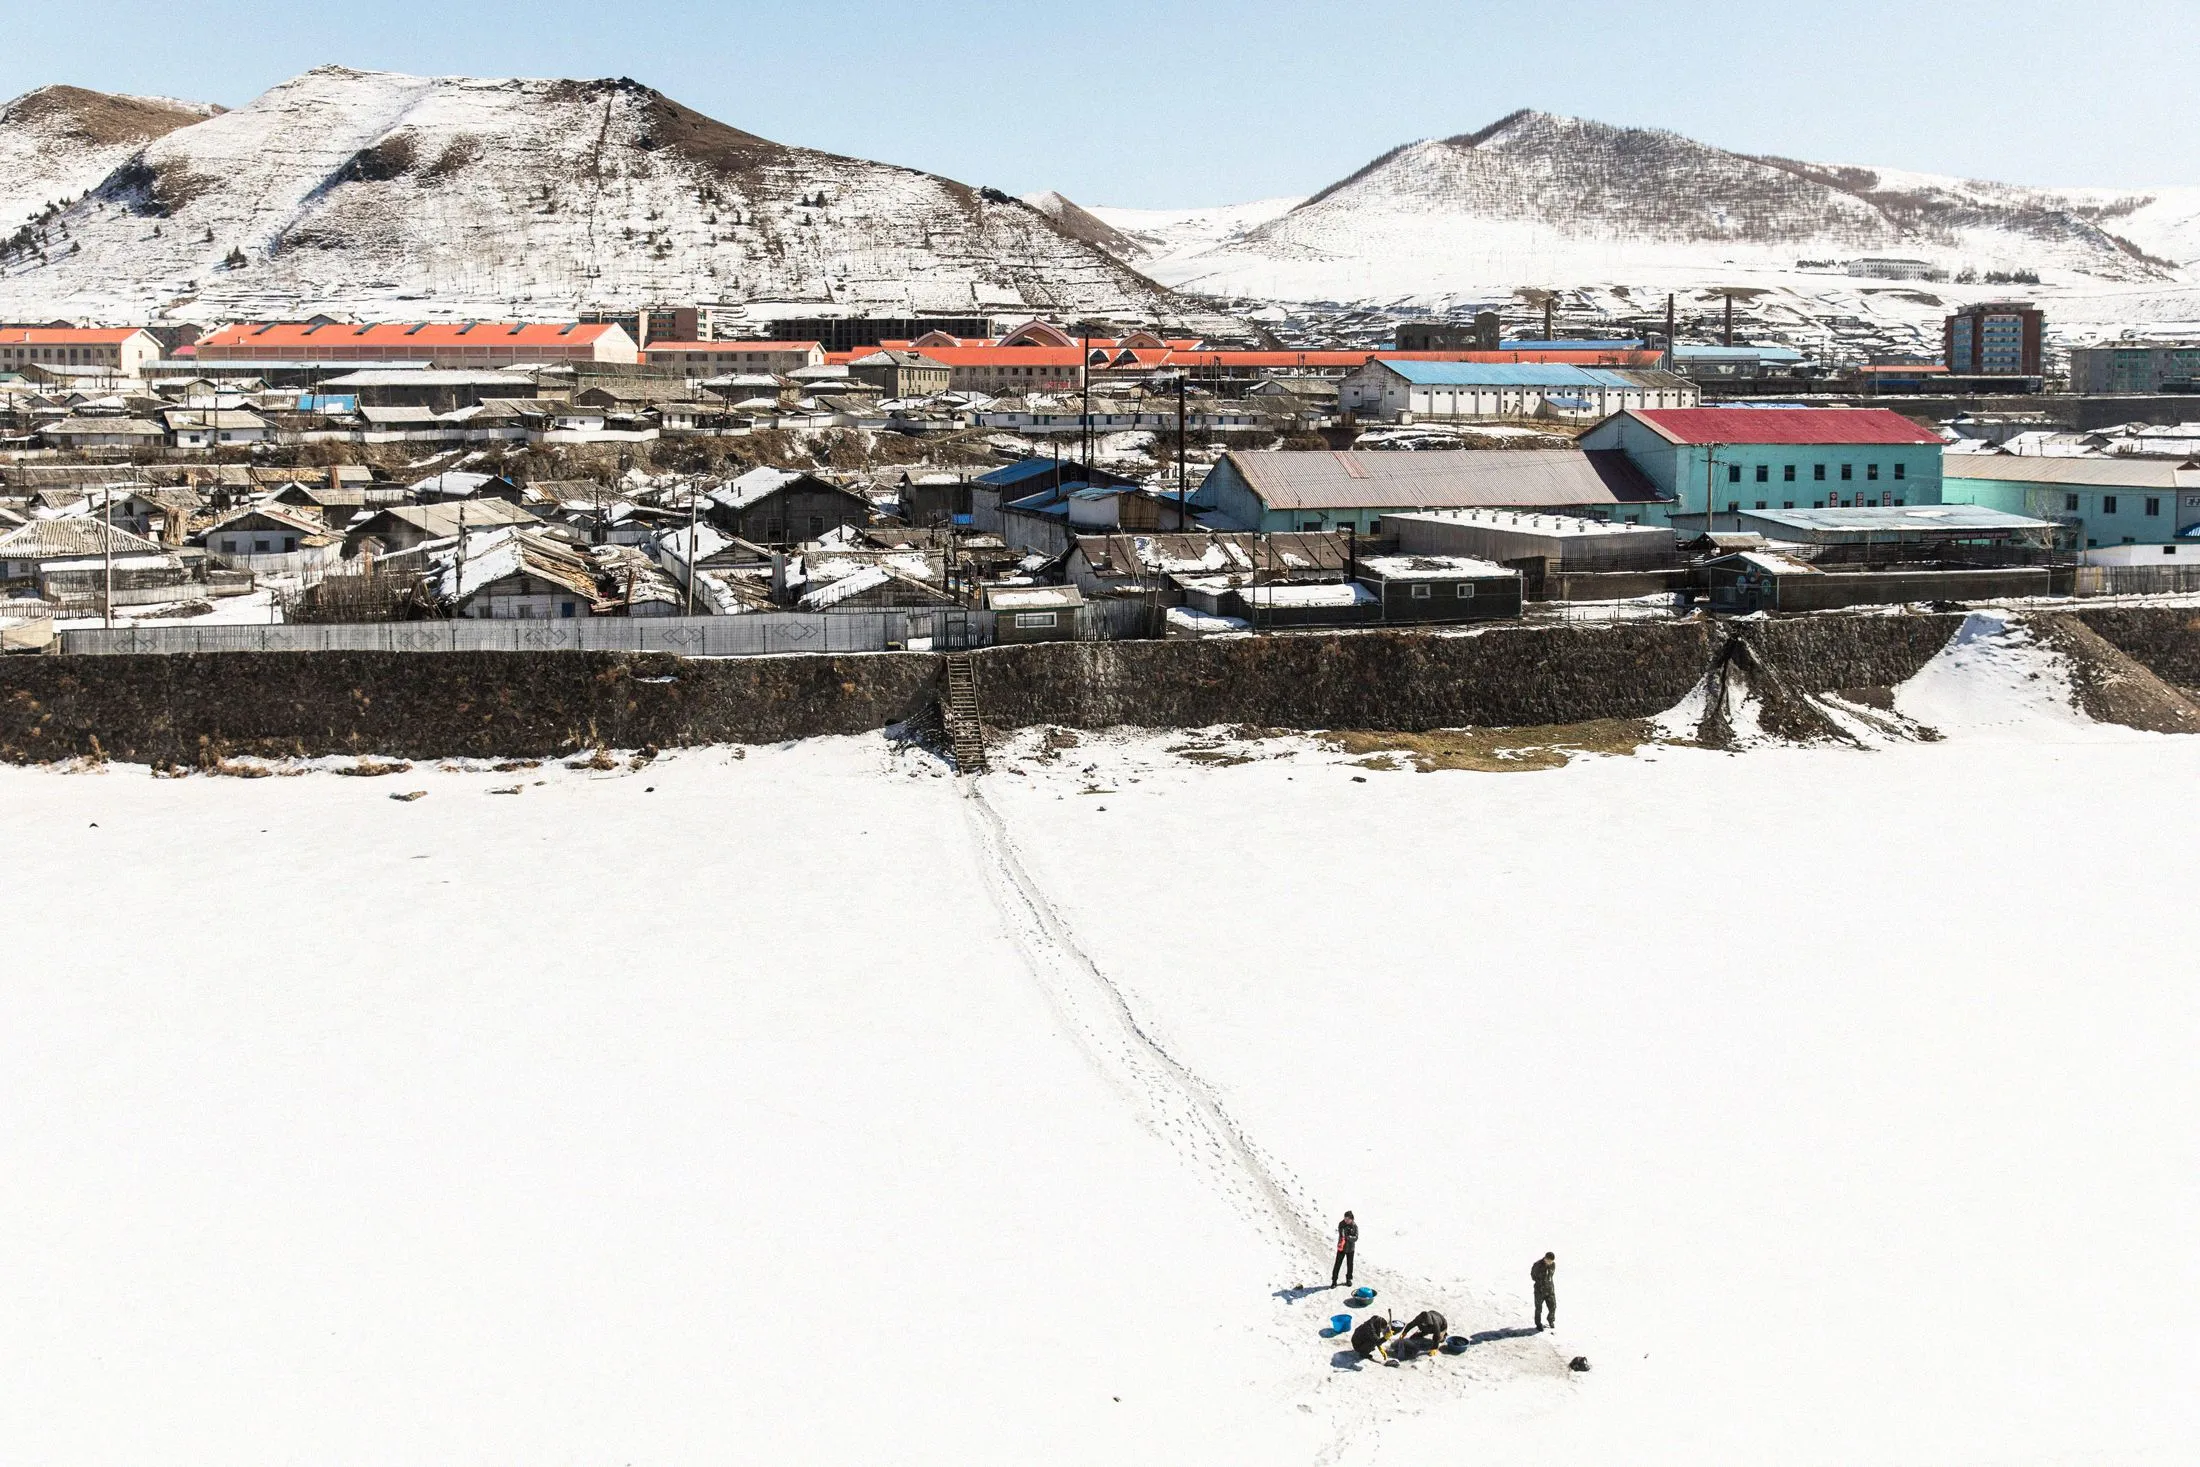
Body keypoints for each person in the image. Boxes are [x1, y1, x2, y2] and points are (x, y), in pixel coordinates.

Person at [1331, 1211, 1359, 1288]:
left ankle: (1349, 1279)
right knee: (1337, 1264)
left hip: (1350, 1249)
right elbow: (1341, 1232)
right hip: (1342, 1247)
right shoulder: (1341, 1224)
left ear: (1351, 1219)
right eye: (1344, 1218)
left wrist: (1348, 1237)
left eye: (1347, 1219)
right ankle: (1334, 1281)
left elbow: (1356, 1238)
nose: (1345, 1220)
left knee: (1350, 1265)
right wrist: (1343, 1238)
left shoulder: (1355, 1226)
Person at [1532, 1252, 1557, 1331]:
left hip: (1550, 1290)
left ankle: (1550, 1320)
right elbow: (1533, 1276)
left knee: (1553, 1307)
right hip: (1540, 1291)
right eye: (1549, 1261)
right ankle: (1538, 1324)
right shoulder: (1537, 1265)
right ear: (1545, 1258)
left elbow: (1551, 1275)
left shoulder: (1553, 1265)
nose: (1550, 1263)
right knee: (1538, 1308)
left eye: (1551, 1261)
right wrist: (1541, 1282)